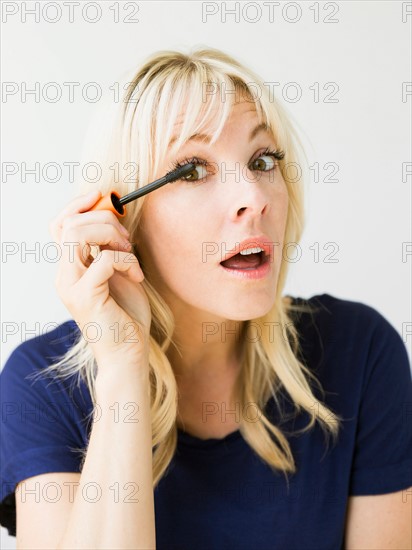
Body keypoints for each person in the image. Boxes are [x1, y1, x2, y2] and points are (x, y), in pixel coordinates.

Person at [1, 47, 411, 549]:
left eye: (263, 160)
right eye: (192, 170)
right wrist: (123, 368)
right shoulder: (41, 385)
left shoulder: (360, 351)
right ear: (122, 220)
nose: (255, 197)